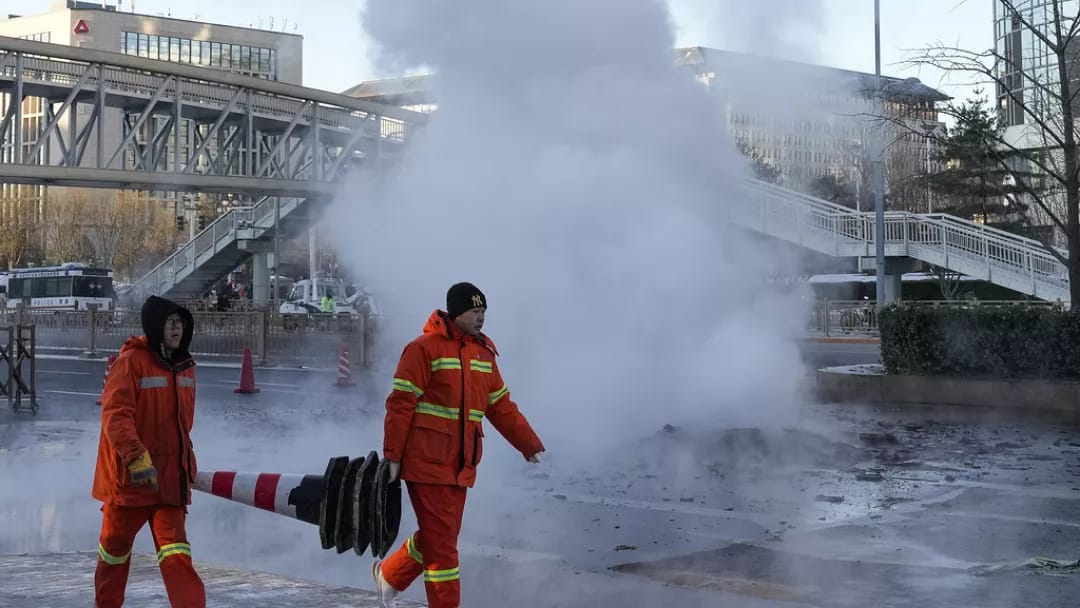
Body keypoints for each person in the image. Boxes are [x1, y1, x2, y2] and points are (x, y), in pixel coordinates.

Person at [372, 282, 545, 608]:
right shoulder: (423, 349)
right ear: (456, 312)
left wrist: (528, 444)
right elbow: (400, 404)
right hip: (425, 462)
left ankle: (390, 576)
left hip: (460, 464)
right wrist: (393, 456)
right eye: (474, 311)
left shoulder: (483, 354)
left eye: (483, 312)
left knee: (441, 537)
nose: (480, 318)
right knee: (443, 550)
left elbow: (500, 406)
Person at [92, 295, 205, 608]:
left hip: (168, 481)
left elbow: (182, 426)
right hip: (130, 481)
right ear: (155, 326)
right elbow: (116, 415)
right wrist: (136, 458)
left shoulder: (185, 368)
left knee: (177, 556)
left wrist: (187, 462)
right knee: (114, 553)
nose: (176, 328)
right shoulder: (130, 363)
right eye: (170, 322)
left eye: (180, 322)